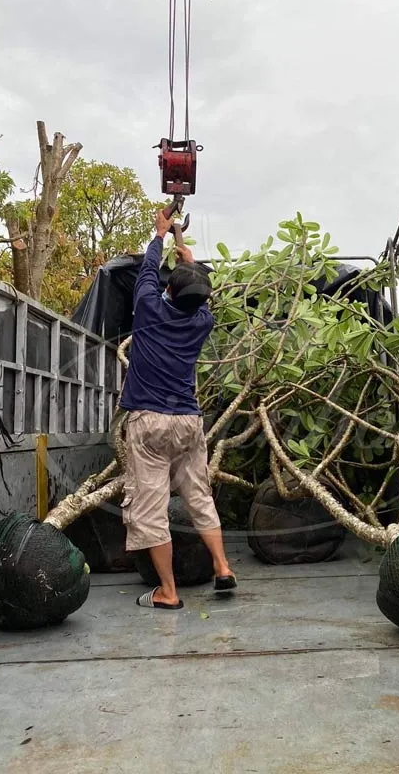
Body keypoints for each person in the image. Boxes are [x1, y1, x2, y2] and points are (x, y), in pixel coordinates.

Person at [120, 209, 236, 610]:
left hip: (149, 423)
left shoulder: (150, 307)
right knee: (199, 496)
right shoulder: (201, 322)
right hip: (188, 422)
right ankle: (222, 567)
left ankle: (168, 592)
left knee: (151, 510)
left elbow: (149, 269)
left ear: (169, 291)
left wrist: (160, 234)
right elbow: (198, 289)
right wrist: (184, 245)